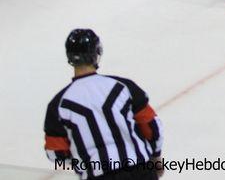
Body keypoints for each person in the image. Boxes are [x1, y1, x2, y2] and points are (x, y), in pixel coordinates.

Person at [44, 29, 164, 179]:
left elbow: (56, 153)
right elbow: (152, 126)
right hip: (140, 171)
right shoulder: (123, 87)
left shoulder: (58, 105)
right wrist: (156, 157)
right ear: (96, 53)